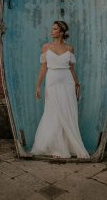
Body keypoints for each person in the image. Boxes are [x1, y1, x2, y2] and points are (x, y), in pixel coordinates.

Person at [31, 20, 89, 159]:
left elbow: (71, 68)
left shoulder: (70, 49)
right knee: (53, 113)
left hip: (67, 82)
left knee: (67, 112)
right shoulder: (46, 47)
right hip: (52, 81)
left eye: (55, 29)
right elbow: (43, 67)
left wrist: (76, 83)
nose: (52, 31)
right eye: (52, 29)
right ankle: (56, 148)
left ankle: (67, 147)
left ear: (62, 32)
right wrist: (38, 85)